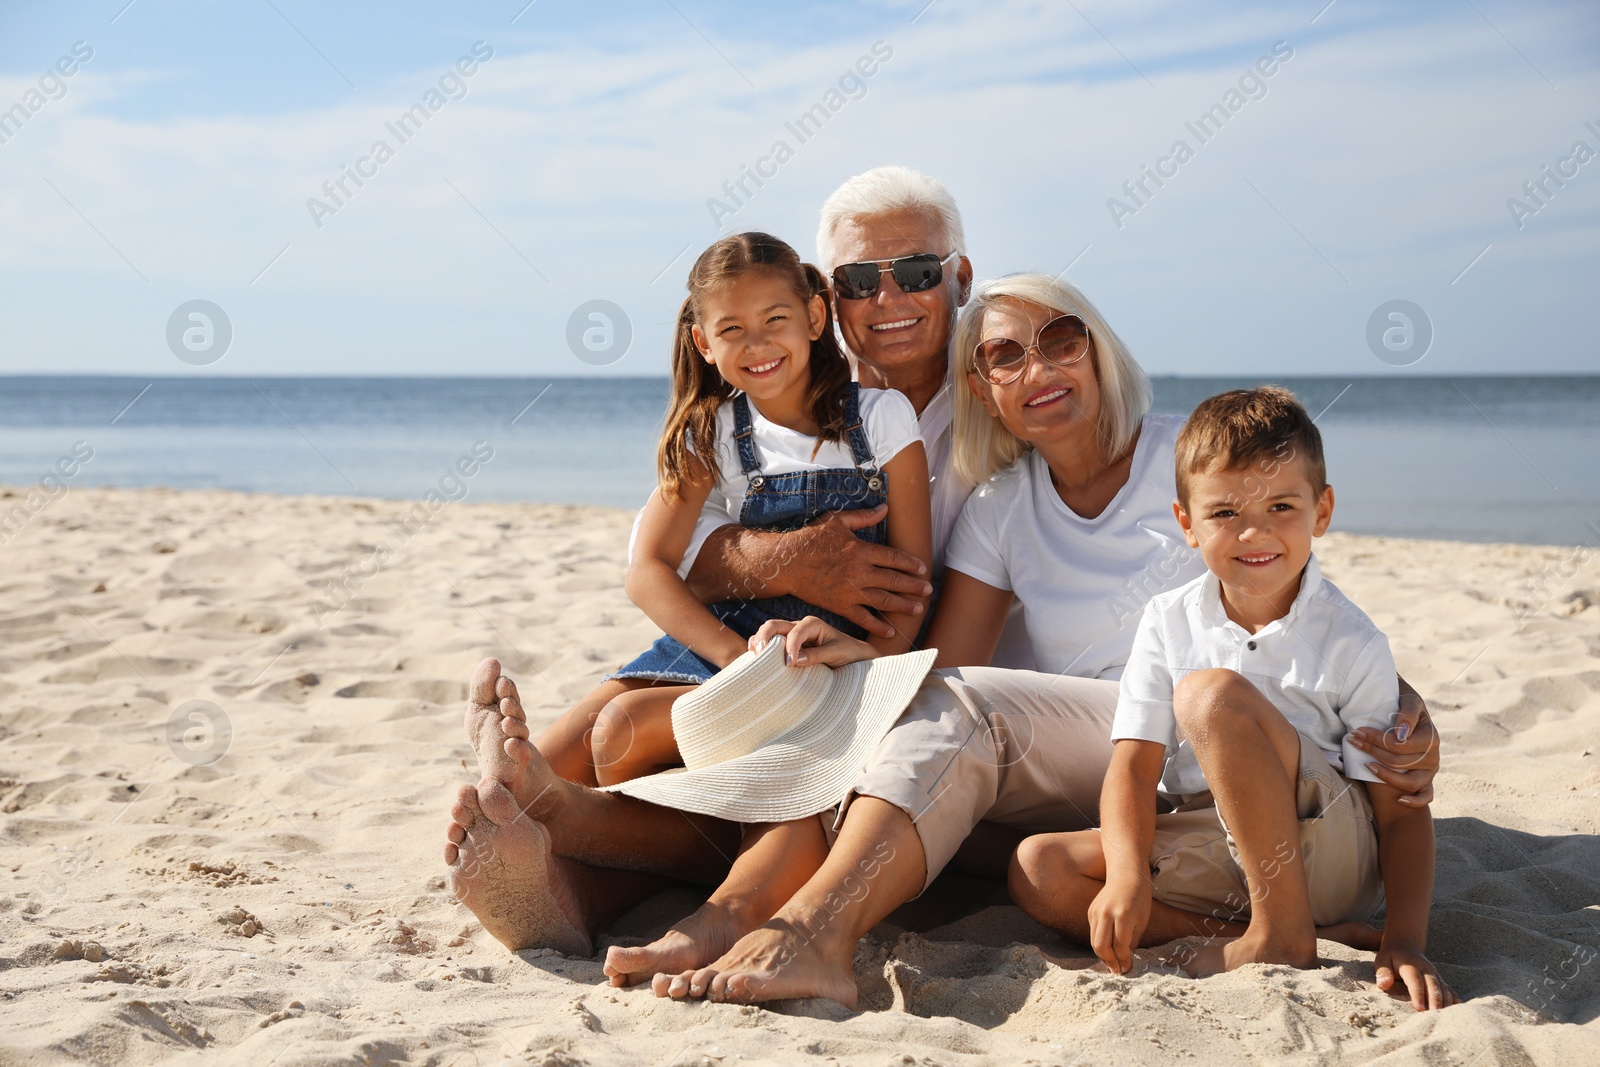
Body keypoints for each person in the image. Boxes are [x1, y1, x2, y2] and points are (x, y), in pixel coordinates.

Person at [442, 271, 1439, 1001]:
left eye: (1061, 338)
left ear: (1098, 346)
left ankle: (810, 930)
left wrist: (1408, 712)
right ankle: (575, 840)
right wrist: (852, 659)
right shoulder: (1002, 501)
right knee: (879, 767)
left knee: (945, 727)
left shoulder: (1194, 459)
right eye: (1003, 354)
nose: (1038, 367)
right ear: (982, 385)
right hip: (1122, 769)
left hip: (1247, 758)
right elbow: (944, 666)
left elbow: (1307, 607)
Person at [1008, 387, 1458, 1012]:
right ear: (1187, 525)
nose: (1256, 532)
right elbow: (1134, 767)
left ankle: (1281, 934)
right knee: (1040, 869)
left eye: (1281, 505)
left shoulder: (1351, 639)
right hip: (1217, 842)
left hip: (1328, 851)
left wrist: (1406, 939)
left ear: (1321, 512)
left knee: (1211, 694)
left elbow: (1403, 811)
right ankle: (1281, 936)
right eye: (1224, 513)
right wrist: (1131, 875)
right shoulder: (1167, 620)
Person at [589, 230, 931, 786]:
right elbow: (646, 571)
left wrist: (870, 655)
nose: (757, 344)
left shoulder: (881, 417)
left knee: (620, 729)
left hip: (840, 658)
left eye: (776, 320)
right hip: (737, 648)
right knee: (586, 743)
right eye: (731, 330)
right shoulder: (712, 431)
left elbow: (912, 580)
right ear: (704, 343)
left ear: (815, 318)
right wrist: (735, 661)